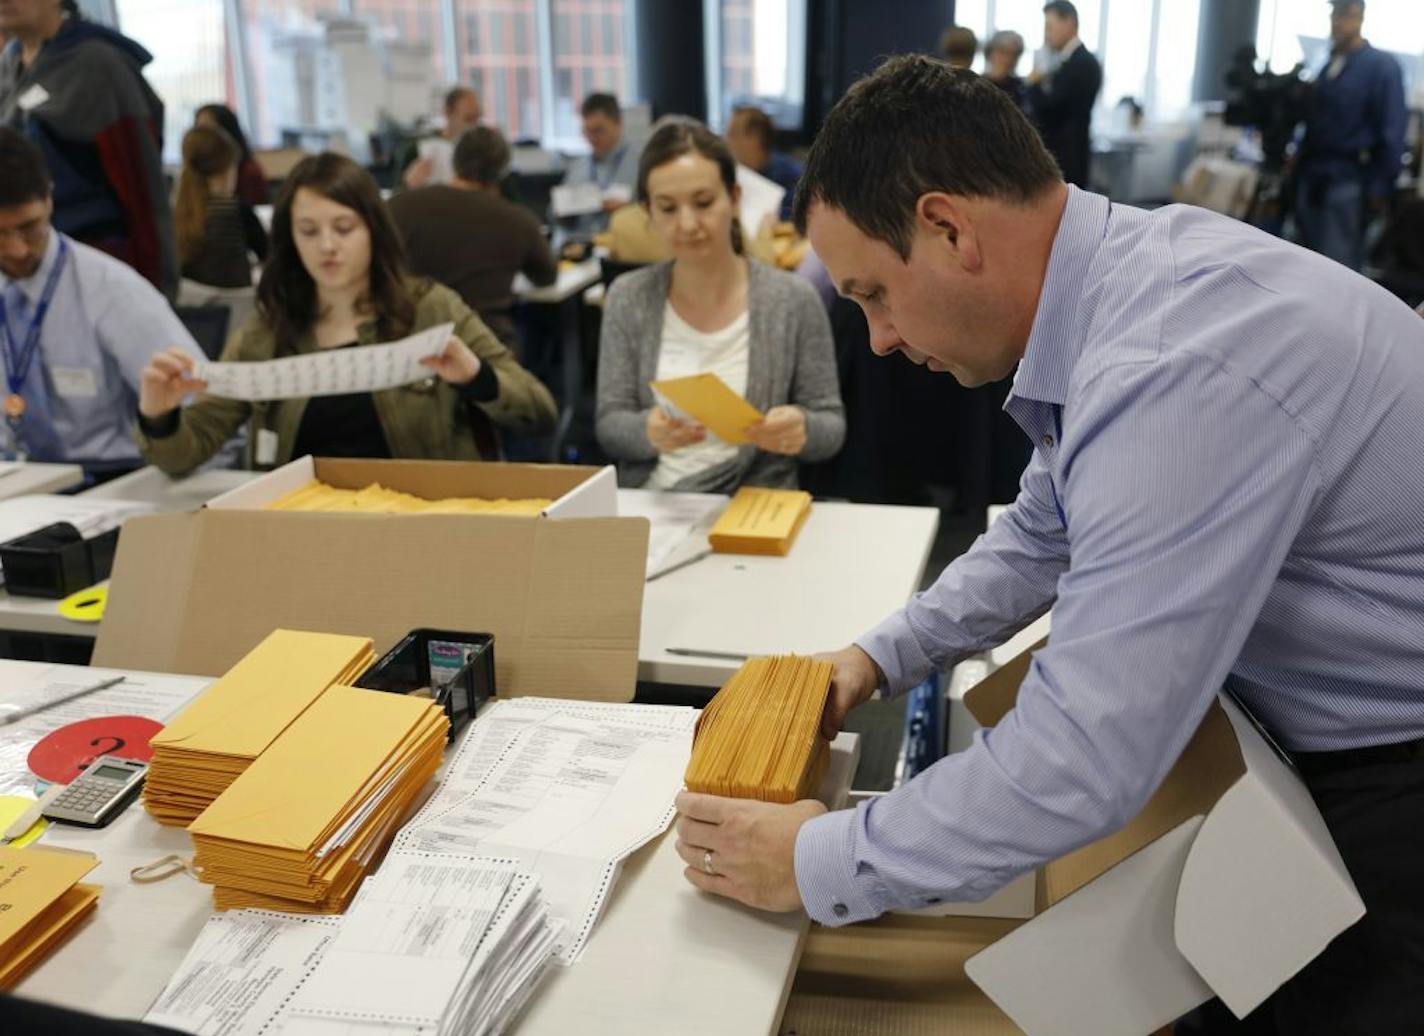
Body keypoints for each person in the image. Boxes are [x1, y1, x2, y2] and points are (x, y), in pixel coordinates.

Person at [674, 56, 1424, 1032]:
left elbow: (1081, 755)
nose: (880, 340)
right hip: (1302, 735)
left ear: (947, 228)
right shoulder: (1127, 287)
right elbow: (1040, 530)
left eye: (873, 295)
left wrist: (814, 861)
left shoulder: (1168, 366)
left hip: (1393, 776)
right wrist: (871, 658)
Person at [137, 153, 557, 475]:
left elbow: (538, 411)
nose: (327, 247)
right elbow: (185, 454)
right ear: (290, 239)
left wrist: (476, 378)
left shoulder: (430, 308)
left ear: (373, 230)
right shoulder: (267, 330)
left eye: (343, 228)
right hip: (304, 531)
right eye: (309, 231)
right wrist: (159, 417)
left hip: (422, 528)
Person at [595, 120, 844, 493]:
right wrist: (647, 431)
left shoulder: (792, 300)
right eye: (667, 208)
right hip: (655, 503)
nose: (688, 224)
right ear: (648, 211)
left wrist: (801, 427)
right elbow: (610, 422)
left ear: (735, 197)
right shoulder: (629, 298)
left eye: (704, 202)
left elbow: (831, 426)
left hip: (755, 503)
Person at [0, 127, 202, 477]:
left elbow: (200, 409)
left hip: (109, 478)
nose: (16, 249)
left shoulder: (112, 291)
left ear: (49, 199)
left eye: (29, 227)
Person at [0, 0, 177, 297]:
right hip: (23, 269)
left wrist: (161, 287)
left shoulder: (98, 63)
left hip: (95, 273)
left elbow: (144, 187)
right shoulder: (10, 64)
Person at [389, 124, 557, 349]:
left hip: (413, 346)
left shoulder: (401, 206)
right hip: (486, 348)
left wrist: (406, 185)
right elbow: (547, 275)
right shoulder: (518, 221)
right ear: (502, 172)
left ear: (454, 161)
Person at [1294, 0, 1406, 272]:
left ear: (1359, 17)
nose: (1337, 21)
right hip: (1311, 178)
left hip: (1349, 183)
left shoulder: (1381, 67)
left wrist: (1381, 187)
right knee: (1301, 265)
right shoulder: (1328, 63)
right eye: (1334, 13)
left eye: (1344, 14)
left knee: (1337, 270)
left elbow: (1392, 131)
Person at [175, 125, 267, 290]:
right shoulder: (238, 212)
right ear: (228, 170)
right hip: (240, 308)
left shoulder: (175, 215)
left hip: (192, 311)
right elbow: (269, 255)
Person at [1025, 0, 1101, 187]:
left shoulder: (1081, 63)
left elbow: (1052, 110)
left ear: (1068, 22)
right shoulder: (1068, 62)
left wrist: (1032, 85)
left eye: (1049, 26)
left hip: (1069, 158)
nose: (1046, 34)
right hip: (1067, 155)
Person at [558, 92, 638, 238]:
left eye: (598, 131)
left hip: (625, 248)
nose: (592, 138)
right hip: (581, 248)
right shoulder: (578, 167)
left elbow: (656, 212)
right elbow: (554, 216)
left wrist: (629, 209)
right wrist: (562, 212)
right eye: (587, 131)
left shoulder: (640, 163)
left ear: (618, 123)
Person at [725, 105, 802, 223]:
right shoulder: (728, 174)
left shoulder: (794, 178)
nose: (726, 140)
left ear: (755, 138)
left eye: (733, 134)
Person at [402, 85, 482, 190]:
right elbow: (393, 199)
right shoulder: (417, 150)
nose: (474, 125)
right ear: (448, 112)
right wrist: (408, 184)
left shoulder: (481, 152)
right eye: (468, 118)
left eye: (477, 118)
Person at [194, 102, 268, 207]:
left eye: (208, 129)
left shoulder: (249, 172)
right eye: (198, 129)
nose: (202, 137)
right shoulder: (194, 171)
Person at [984, 29, 1027, 109]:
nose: (1008, 59)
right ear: (990, 53)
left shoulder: (1021, 88)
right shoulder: (978, 84)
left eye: (1014, 54)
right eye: (1003, 52)